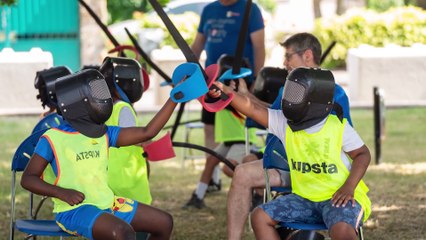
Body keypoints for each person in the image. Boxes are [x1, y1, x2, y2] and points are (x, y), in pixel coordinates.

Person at [210, 65, 372, 239]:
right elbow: (252, 109)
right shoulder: (284, 123)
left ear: (315, 99)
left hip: (339, 198)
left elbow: (363, 154)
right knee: (259, 216)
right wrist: (227, 92)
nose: (288, 99)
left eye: (295, 94)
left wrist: (349, 187)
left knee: (342, 230)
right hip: (304, 199)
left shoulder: (337, 126)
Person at [20, 68, 184, 239]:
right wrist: (62, 193)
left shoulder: (104, 133)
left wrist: (174, 98)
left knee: (164, 222)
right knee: (121, 232)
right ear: (77, 105)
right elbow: (28, 178)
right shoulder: (52, 138)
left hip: (109, 203)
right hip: (74, 210)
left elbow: (147, 132)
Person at [225, 32, 354, 240]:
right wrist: (244, 97)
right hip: (283, 163)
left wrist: (243, 99)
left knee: (243, 173)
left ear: (307, 55)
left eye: (288, 56)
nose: (284, 63)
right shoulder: (290, 88)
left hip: (308, 170)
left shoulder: (333, 93)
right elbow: (272, 115)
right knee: (243, 170)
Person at [189, 0, 266, 194]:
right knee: (209, 127)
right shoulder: (209, 10)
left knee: (240, 124)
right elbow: (197, 44)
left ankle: (245, 168)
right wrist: (187, 71)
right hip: (210, 80)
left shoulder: (250, 8)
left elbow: (259, 46)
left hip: (239, 81)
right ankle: (213, 180)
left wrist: (257, 78)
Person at [100, 57, 152, 240]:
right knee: (141, 222)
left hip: (110, 179)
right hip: (128, 180)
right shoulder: (123, 108)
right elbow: (135, 138)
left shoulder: (103, 108)